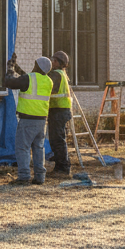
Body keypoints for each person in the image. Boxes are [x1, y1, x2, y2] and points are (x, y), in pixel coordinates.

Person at [4, 54, 53, 185]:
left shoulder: (29, 78)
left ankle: (24, 176)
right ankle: (40, 177)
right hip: (42, 121)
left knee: (22, 148)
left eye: (35, 64)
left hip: (27, 120)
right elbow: (26, 78)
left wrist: (10, 68)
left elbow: (9, 82)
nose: (33, 66)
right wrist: (17, 68)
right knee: (39, 148)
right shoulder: (48, 81)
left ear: (37, 66)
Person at [47, 49, 73, 177]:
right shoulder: (61, 74)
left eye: (53, 60)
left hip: (59, 111)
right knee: (57, 139)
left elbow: (46, 87)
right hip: (60, 111)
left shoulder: (56, 75)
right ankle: (61, 165)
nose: (51, 62)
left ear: (57, 62)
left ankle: (63, 168)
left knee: (57, 140)